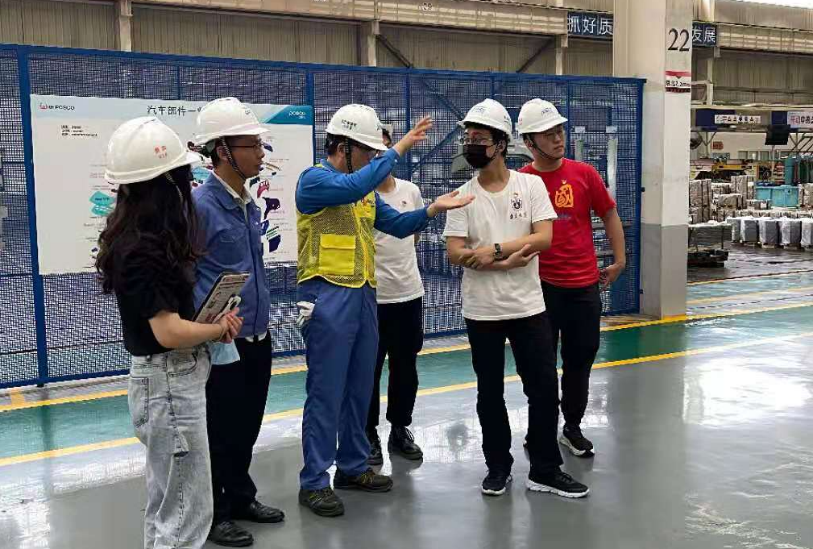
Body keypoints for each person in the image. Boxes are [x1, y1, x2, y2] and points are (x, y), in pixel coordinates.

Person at [296, 104, 473, 517]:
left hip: (363, 296)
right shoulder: (314, 180)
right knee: (326, 391)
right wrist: (399, 147)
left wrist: (432, 209)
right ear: (342, 146)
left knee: (360, 388)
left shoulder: (365, 194)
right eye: (367, 150)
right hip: (327, 296)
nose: (373, 158)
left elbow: (398, 224)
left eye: (377, 152)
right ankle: (314, 481)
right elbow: (352, 187)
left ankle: (353, 466)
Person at [96, 117, 243, 549]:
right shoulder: (143, 249)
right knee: (185, 515)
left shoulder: (140, 239)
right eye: (181, 178)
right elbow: (168, 331)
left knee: (168, 507)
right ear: (165, 184)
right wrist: (215, 328)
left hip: (166, 383)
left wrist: (210, 327)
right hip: (169, 385)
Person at [443, 98, 589, 499]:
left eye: (480, 138)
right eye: (469, 137)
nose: (472, 144)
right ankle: (498, 467)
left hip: (528, 307)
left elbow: (544, 237)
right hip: (482, 311)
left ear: (501, 144)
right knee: (489, 392)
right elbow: (455, 252)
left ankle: (545, 469)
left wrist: (492, 251)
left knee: (543, 389)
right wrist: (503, 261)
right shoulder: (462, 195)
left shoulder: (530, 186)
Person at [192, 97, 284, 547]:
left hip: (256, 335)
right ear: (224, 151)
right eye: (253, 146)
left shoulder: (247, 203)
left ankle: (241, 495)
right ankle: (215, 513)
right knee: (220, 430)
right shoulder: (200, 207)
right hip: (222, 342)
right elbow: (188, 276)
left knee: (247, 424)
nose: (262, 154)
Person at [517, 98, 626, 458]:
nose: (558, 138)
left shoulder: (584, 174)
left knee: (580, 361)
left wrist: (620, 260)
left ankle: (572, 427)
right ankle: (540, 430)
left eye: (559, 131)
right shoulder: (522, 182)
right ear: (529, 142)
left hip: (584, 287)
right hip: (540, 290)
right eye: (548, 134)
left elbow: (609, 214)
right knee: (540, 367)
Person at [366, 125, 426, 466]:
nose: (379, 156)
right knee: (368, 370)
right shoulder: (360, 196)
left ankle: (400, 428)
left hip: (408, 296)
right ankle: (368, 433)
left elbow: (413, 236)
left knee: (406, 368)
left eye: (384, 149)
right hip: (372, 299)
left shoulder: (410, 191)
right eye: (372, 150)